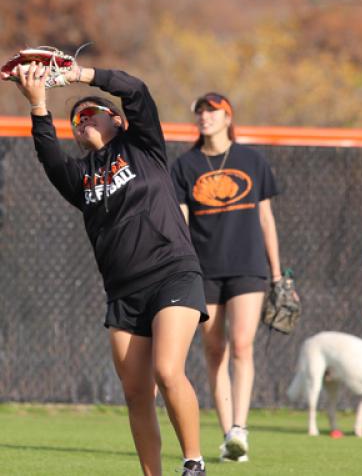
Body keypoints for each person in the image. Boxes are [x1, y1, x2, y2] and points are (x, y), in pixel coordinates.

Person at [12, 60, 208, 476]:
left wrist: (81, 76)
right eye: (75, 121)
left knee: (168, 369)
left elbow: (135, 88)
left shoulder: (143, 146)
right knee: (137, 393)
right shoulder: (80, 177)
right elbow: (48, 157)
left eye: (88, 113)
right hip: (124, 291)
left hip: (172, 272)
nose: (80, 122)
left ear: (116, 120)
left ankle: (194, 462)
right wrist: (38, 104)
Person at [171, 92, 283, 462]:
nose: (205, 117)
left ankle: (240, 428)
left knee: (242, 343)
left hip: (248, 265)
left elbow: (266, 219)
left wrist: (278, 274)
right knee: (214, 350)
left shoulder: (252, 159)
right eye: (200, 112)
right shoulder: (185, 165)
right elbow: (182, 225)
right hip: (204, 270)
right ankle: (228, 438)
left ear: (227, 116)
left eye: (212, 111)